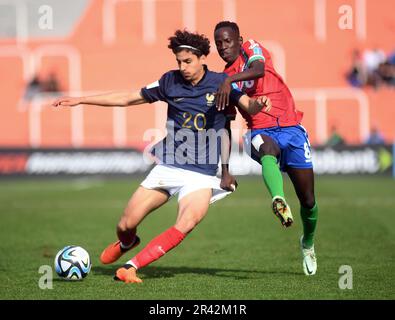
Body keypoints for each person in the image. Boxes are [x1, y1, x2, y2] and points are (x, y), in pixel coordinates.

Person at [52, 30, 271, 283]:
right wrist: (81, 101)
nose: (183, 67)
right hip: (170, 166)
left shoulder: (222, 82)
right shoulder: (170, 82)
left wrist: (259, 104)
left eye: (187, 61)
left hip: (203, 174)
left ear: (202, 58)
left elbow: (246, 106)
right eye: (179, 61)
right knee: (125, 224)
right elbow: (128, 98)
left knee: (187, 222)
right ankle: (127, 243)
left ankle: (131, 267)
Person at [213, 21, 318, 276]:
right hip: (259, 130)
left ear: (239, 40)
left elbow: (258, 70)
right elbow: (225, 127)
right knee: (266, 147)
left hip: (292, 128)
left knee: (309, 200)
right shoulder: (223, 82)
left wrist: (230, 80)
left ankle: (307, 243)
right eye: (218, 44)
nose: (223, 47)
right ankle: (278, 198)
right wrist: (224, 170)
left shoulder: (251, 48)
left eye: (228, 41)